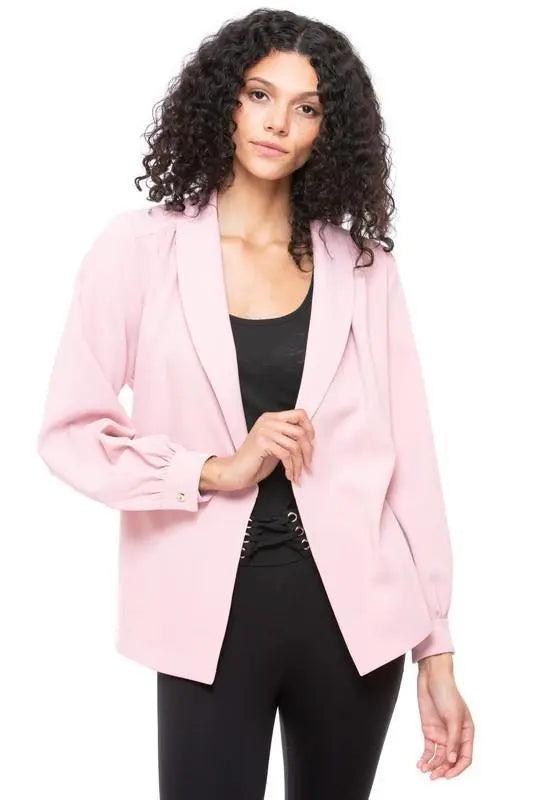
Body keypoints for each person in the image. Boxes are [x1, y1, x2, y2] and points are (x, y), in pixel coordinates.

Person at [36, 8, 474, 799]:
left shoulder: (362, 268)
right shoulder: (139, 249)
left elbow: (410, 466)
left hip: (356, 622)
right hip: (206, 618)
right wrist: (210, 468)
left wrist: (435, 651)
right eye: (259, 95)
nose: (277, 123)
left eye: (306, 107)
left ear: (327, 131)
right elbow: (70, 430)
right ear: (224, 102)